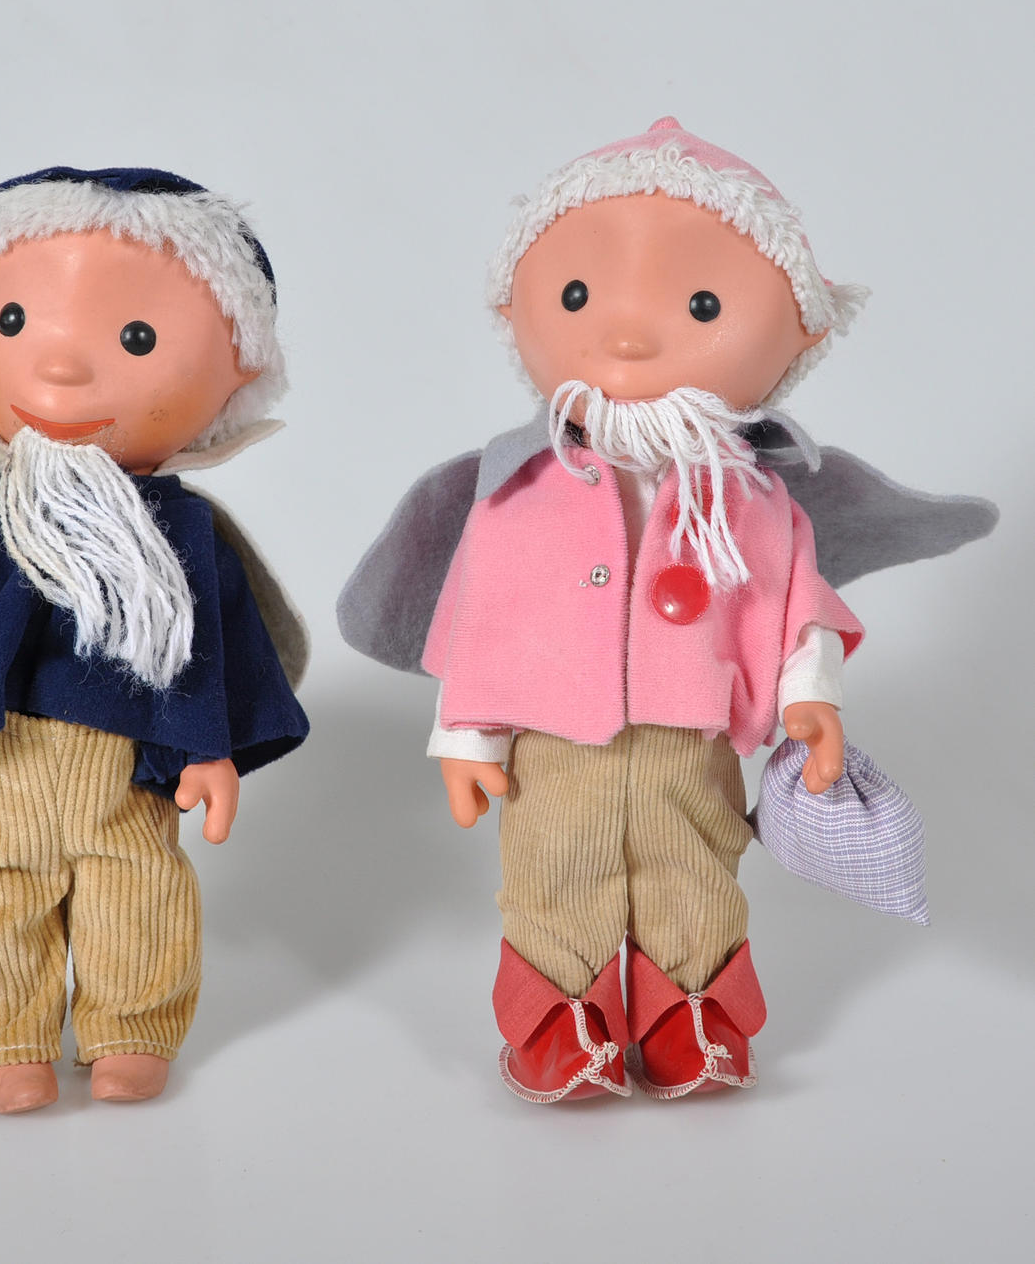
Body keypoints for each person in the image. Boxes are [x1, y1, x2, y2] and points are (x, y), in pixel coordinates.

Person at [339, 119, 993, 1104]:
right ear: (512, 309)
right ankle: (557, 1018)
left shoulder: (753, 495)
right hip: (554, 740)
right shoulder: (516, 489)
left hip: (693, 732)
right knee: (552, 869)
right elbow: (482, 612)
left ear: (802, 334)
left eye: (700, 305)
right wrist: (466, 733)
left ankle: (693, 1010)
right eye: (576, 295)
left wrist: (811, 696)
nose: (629, 335)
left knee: (694, 867)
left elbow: (793, 601)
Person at [0, 167, 309, 1114]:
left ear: (237, 371)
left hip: (126, 765)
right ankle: (4, 1038)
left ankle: (132, 1027)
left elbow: (208, 643)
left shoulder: (180, 529)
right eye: (15, 323)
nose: (60, 370)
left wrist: (209, 749)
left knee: (139, 889)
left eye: (137, 339)